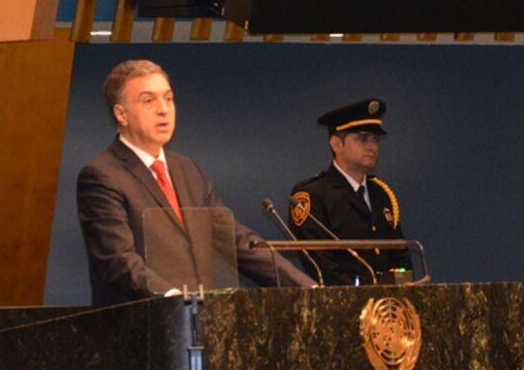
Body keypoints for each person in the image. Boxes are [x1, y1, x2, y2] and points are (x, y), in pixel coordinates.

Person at [77, 59, 316, 306]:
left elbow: (236, 241)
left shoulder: (187, 170)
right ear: (121, 114)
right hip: (143, 320)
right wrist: (172, 298)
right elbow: (118, 259)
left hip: (198, 319)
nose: (163, 109)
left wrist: (308, 289)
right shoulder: (102, 175)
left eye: (168, 99)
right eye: (149, 101)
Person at [288, 99, 412, 285]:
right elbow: (321, 265)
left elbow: (400, 255)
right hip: (342, 300)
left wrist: (404, 285)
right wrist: (359, 295)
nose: (372, 146)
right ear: (336, 144)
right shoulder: (313, 195)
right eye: (363, 139)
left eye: (375, 139)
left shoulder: (381, 193)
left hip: (388, 302)